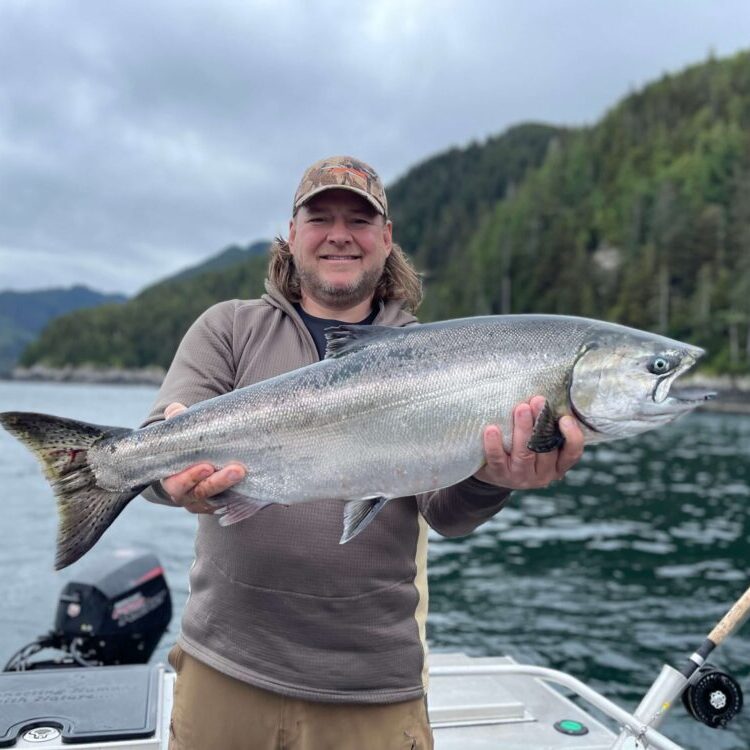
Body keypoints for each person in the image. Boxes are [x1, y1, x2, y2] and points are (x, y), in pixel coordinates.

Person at [142, 155, 585, 750]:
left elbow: (446, 516)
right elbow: (150, 456)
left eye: (360, 219)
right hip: (223, 670)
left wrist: (493, 478)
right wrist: (169, 475)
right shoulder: (228, 329)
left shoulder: (440, 360)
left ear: (386, 237)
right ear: (292, 233)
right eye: (320, 217)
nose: (340, 234)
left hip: (372, 686)